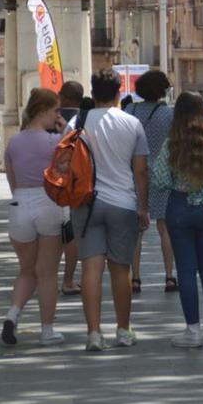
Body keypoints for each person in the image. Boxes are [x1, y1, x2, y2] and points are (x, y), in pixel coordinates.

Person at [69, 70, 150, 352]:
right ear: (119, 92)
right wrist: (144, 207)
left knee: (91, 267)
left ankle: (93, 333)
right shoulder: (132, 123)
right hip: (123, 203)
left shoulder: (77, 123)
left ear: (93, 92)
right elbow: (140, 170)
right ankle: (123, 330)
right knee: (121, 268)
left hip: (86, 204)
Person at [152, 92, 203, 349]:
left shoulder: (171, 144)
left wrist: (180, 182)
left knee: (186, 270)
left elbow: (161, 180)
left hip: (179, 209)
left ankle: (193, 331)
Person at [1, 88, 67, 346]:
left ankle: (12, 314)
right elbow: (68, 166)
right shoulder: (54, 142)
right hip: (47, 202)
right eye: (55, 111)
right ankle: (47, 330)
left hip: (20, 203)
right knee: (48, 273)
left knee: (26, 271)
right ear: (43, 111)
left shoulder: (14, 142)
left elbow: (11, 179)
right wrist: (65, 130)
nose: (57, 116)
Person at [124, 71, 178, 294]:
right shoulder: (169, 114)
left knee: (136, 230)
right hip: (163, 174)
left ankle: (135, 278)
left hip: (134, 173)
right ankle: (169, 276)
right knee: (165, 228)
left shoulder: (129, 111)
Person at [57, 81, 85, 296]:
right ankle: (70, 278)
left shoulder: (62, 121)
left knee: (66, 233)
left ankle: (64, 279)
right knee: (73, 233)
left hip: (62, 183)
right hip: (83, 184)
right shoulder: (88, 119)